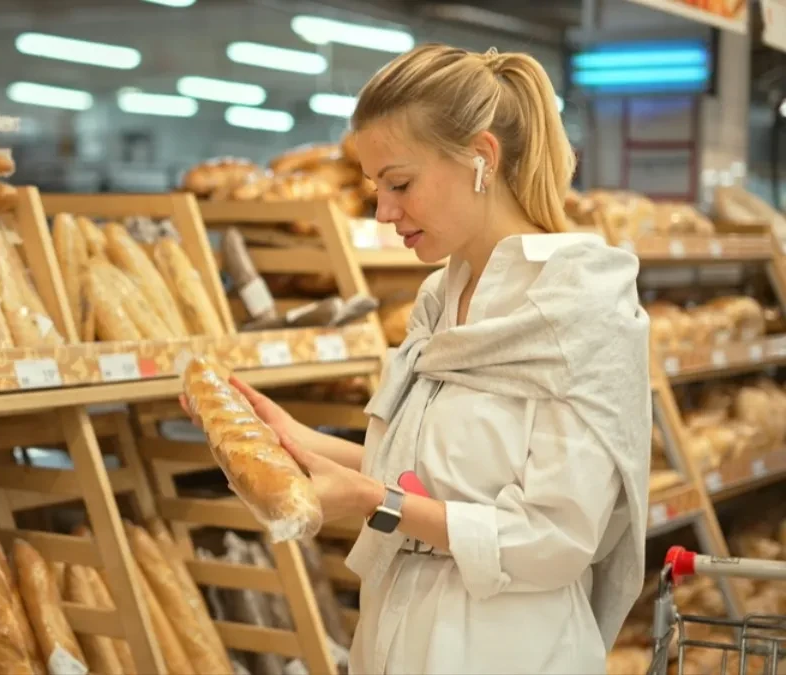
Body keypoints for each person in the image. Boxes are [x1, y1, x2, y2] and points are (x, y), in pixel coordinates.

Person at [183, 44, 652, 673]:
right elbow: (418, 472)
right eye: (378, 188)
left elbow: (555, 540)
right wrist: (296, 441)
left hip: (506, 648)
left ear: (483, 158)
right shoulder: (441, 296)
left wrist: (374, 504)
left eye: (400, 184)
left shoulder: (582, 310)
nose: (384, 211)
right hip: (397, 635)